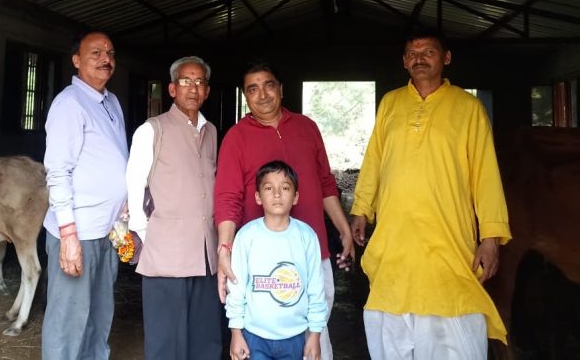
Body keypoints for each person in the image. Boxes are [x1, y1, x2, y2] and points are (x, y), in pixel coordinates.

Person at [350, 29, 511, 360]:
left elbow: (486, 176)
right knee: (392, 326)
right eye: (412, 54)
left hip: (448, 242)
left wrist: (490, 237)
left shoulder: (468, 108)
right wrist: (361, 209)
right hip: (395, 243)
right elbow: (374, 160)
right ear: (404, 61)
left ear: (446, 58)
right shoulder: (391, 103)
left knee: (453, 326)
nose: (419, 59)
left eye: (428, 52)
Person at [214, 60, 355, 360]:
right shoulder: (237, 137)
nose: (262, 94)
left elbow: (326, 183)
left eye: (268, 85)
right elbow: (227, 197)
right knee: (264, 333)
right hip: (261, 258)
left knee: (316, 331)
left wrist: (343, 229)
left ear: (280, 88)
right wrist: (225, 248)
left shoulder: (307, 128)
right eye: (253, 89)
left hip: (312, 251)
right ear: (246, 96)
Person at [126, 56, 223, 360]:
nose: (193, 88)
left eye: (199, 82)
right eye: (185, 81)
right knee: (166, 340)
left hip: (205, 253)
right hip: (165, 255)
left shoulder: (211, 131)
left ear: (207, 91)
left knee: (205, 337)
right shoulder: (152, 130)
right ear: (171, 89)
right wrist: (148, 237)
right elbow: (134, 186)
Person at [41, 31, 129, 360]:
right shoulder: (69, 104)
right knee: (68, 321)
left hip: (107, 231)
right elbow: (58, 172)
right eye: (96, 53)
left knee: (98, 317)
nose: (106, 58)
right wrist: (68, 235)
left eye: (110, 53)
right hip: (77, 232)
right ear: (77, 60)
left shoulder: (111, 102)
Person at [226, 160, 327, 360]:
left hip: (295, 336)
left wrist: (315, 334)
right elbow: (237, 288)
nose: (277, 194)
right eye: (269, 188)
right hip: (255, 336)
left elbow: (316, 288)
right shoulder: (246, 236)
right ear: (258, 196)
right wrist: (236, 332)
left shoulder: (306, 237)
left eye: (285, 188)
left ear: (296, 197)